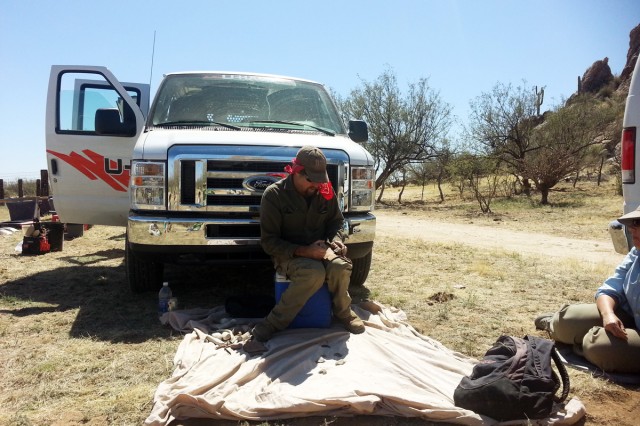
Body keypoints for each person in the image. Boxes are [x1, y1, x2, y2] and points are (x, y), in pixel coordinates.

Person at [251, 146, 366, 342]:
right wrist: (305, 251)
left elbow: (336, 222)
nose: (317, 185)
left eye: (320, 179)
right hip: (290, 255)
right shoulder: (274, 195)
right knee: (313, 272)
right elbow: (269, 242)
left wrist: (336, 241)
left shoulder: (325, 191)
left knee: (341, 266)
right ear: (296, 172)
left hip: (322, 251)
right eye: (311, 179)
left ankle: (343, 313)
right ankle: (273, 323)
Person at [534, 206, 640, 373]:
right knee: (566, 320)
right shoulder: (637, 252)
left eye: (639, 223)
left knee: (598, 346)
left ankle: (583, 344)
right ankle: (558, 326)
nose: (633, 228)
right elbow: (611, 288)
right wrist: (608, 315)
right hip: (631, 314)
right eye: (633, 223)